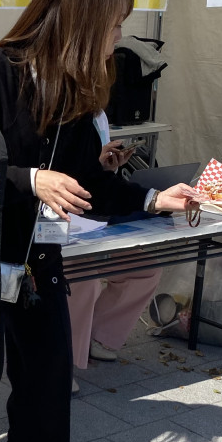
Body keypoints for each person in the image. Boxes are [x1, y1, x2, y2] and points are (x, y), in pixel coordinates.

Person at [0, 0, 196, 442]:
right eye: (113, 25)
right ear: (80, 21)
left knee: (48, 366)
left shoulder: (75, 90)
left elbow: (88, 185)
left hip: (37, 256)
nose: (119, 37)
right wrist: (30, 178)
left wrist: (153, 198)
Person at [67, 135, 161, 384]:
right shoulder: (59, 125)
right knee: (84, 278)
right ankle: (62, 361)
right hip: (57, 229)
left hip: (94, 225)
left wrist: (106, 168)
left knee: (145, 268)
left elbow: (97, 186)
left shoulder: (95, 120)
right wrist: (93, 167)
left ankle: (99, 336)